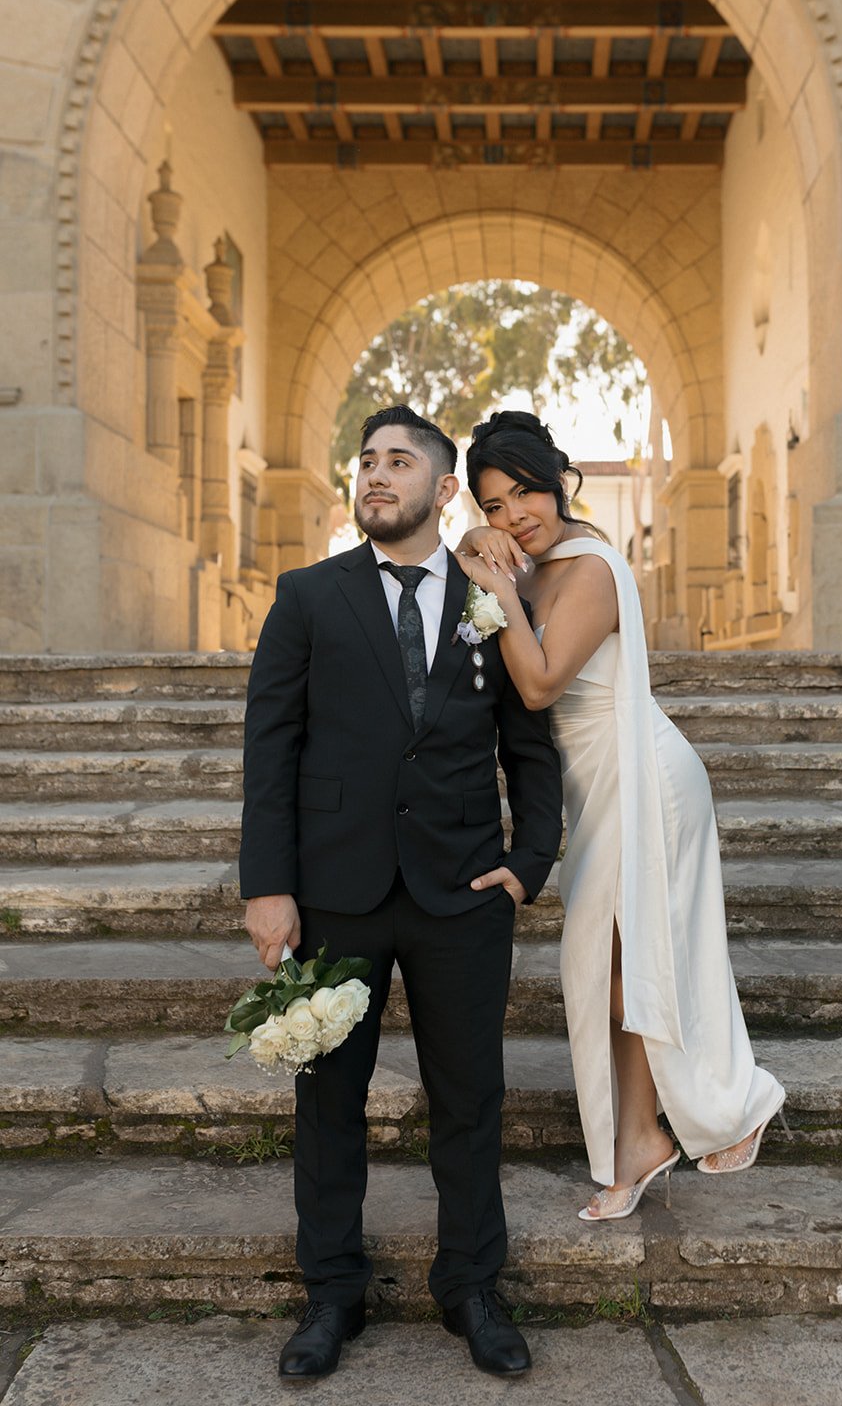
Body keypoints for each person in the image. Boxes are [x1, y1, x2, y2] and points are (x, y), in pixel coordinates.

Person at [240, 405, 562, 1381]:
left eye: (398, 461)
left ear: (442, 487)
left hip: (461, 888)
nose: (376, 475)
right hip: (333, 890)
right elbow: (271, 749)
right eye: (366, 461)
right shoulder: (306, 597)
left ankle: (470, 1286)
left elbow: (528, 741)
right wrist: (268, 887)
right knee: (326, 1095)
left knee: (468, 1099)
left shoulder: (489, 590)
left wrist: (529, 859)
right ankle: (330, 1290)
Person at [456, 410, 786, 1222]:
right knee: (619, 963)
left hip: (645, 778)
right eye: (494, 506)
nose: (514, 516)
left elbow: (535, 686)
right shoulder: (532, 564)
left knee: (619, 964)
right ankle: (652, 1133)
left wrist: (493, 582)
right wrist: (477, 552)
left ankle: (714, 1107)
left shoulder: (587, 570)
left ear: (555, 480)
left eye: (525, 493)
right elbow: (468, 574)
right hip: (593, 787)